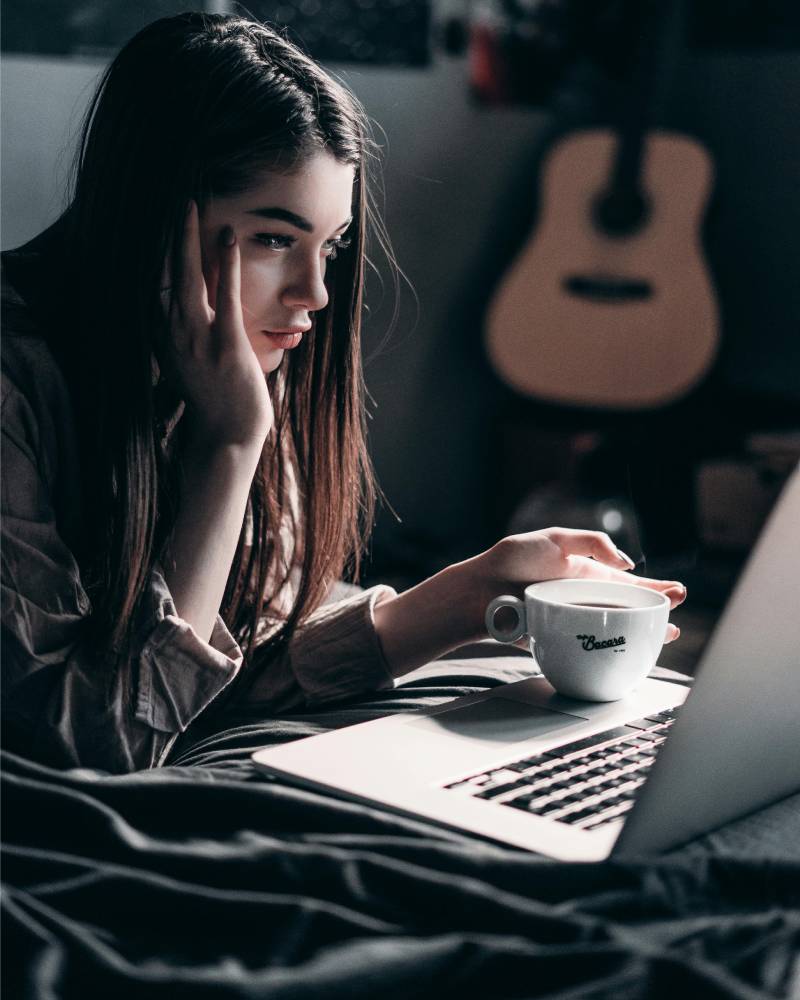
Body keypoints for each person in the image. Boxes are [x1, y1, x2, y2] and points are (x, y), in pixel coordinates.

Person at [1, 12, 685, 774]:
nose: (316, 292)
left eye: (330, 245)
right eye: (272, 238)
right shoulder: (23, 388)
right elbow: (101, 747)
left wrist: (473, 592)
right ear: (149, 212)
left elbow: (229, 667)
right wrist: (230, 446)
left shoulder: (231, 366)